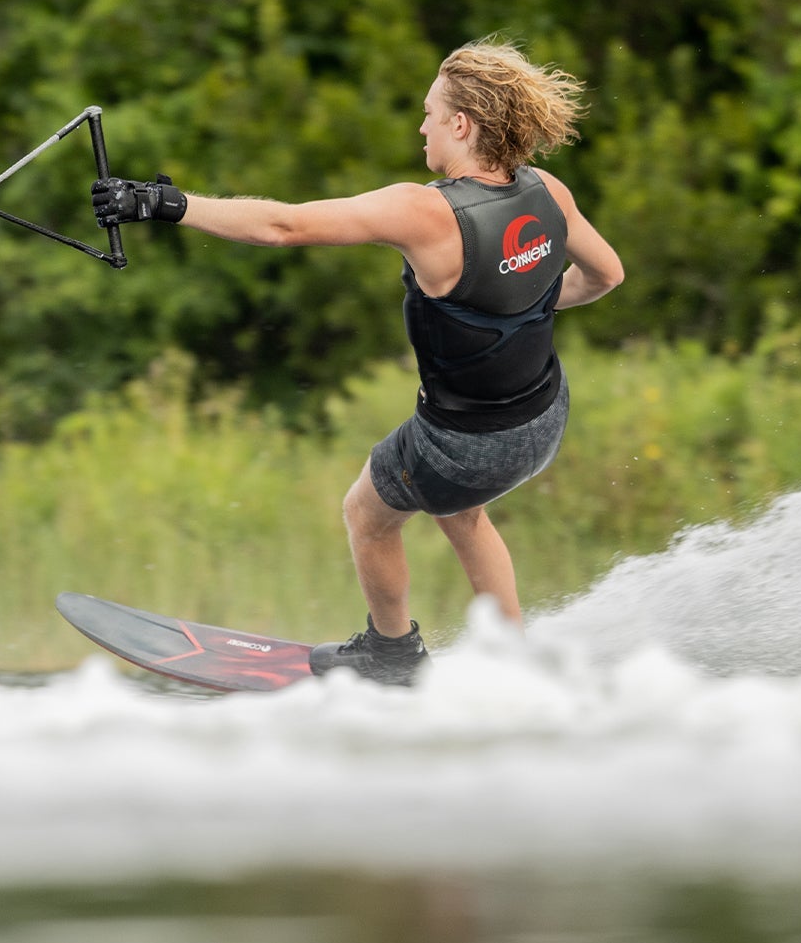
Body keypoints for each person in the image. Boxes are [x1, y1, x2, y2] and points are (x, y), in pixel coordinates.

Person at [92, 38, 624, 685]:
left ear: (462, 124)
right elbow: (605, 276)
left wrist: (165, 203)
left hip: (464, 442)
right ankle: (514, 661)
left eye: (430, 112)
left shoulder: (427, 212)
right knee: (462, 510)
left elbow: (285, 227)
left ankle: (390, 654)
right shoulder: (549, 194)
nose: (421, 124)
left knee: (368, 513)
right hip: (543, 420)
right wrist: (530, 304)